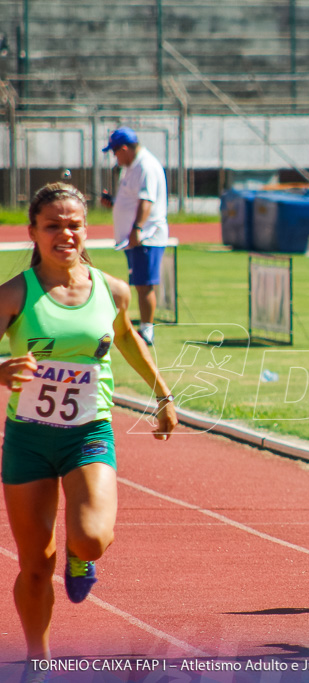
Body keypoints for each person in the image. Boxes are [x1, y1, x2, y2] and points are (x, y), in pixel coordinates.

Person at [0, 183, 178, 670]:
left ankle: (83, 559)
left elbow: (126, 339)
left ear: (86, 229)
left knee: (92, 537)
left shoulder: (110, 289)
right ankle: (37, 660)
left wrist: (162, 394)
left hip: (87, 432)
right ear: (33, 231)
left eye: (74, 224)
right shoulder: (15, 293)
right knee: (36, 565)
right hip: (29, 440)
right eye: (52, 225)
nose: (65, 234)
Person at [99, 127, 169, 347]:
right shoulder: (131, 166)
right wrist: (114, 202)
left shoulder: (145, 165)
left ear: (125, 148)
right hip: (135, 237)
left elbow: (146, 201)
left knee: (144, 283)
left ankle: (147, 330)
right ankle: (143, 327)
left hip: (147, 235)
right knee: (139, 282)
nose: (115, 157)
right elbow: (130, 198)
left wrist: (137, 228)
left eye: (115, 152)